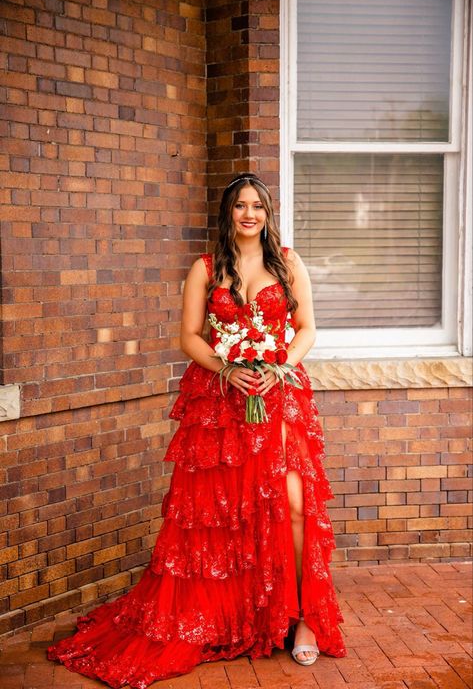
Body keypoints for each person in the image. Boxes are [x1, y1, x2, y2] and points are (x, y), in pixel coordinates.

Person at [47, 173, 346, 688]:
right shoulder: (206, 269)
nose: (249, 215)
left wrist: (281, 366)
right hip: (222, 402)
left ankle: (301, 619)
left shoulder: (288, 263)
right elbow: (190, 336)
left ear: (268, 214)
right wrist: (227, 368)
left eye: (258, 206)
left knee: (294, 504)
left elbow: (307, 328)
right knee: (225, 513)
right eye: (240, 206)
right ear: (228, 212)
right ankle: (237, 614)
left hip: (278, 398)